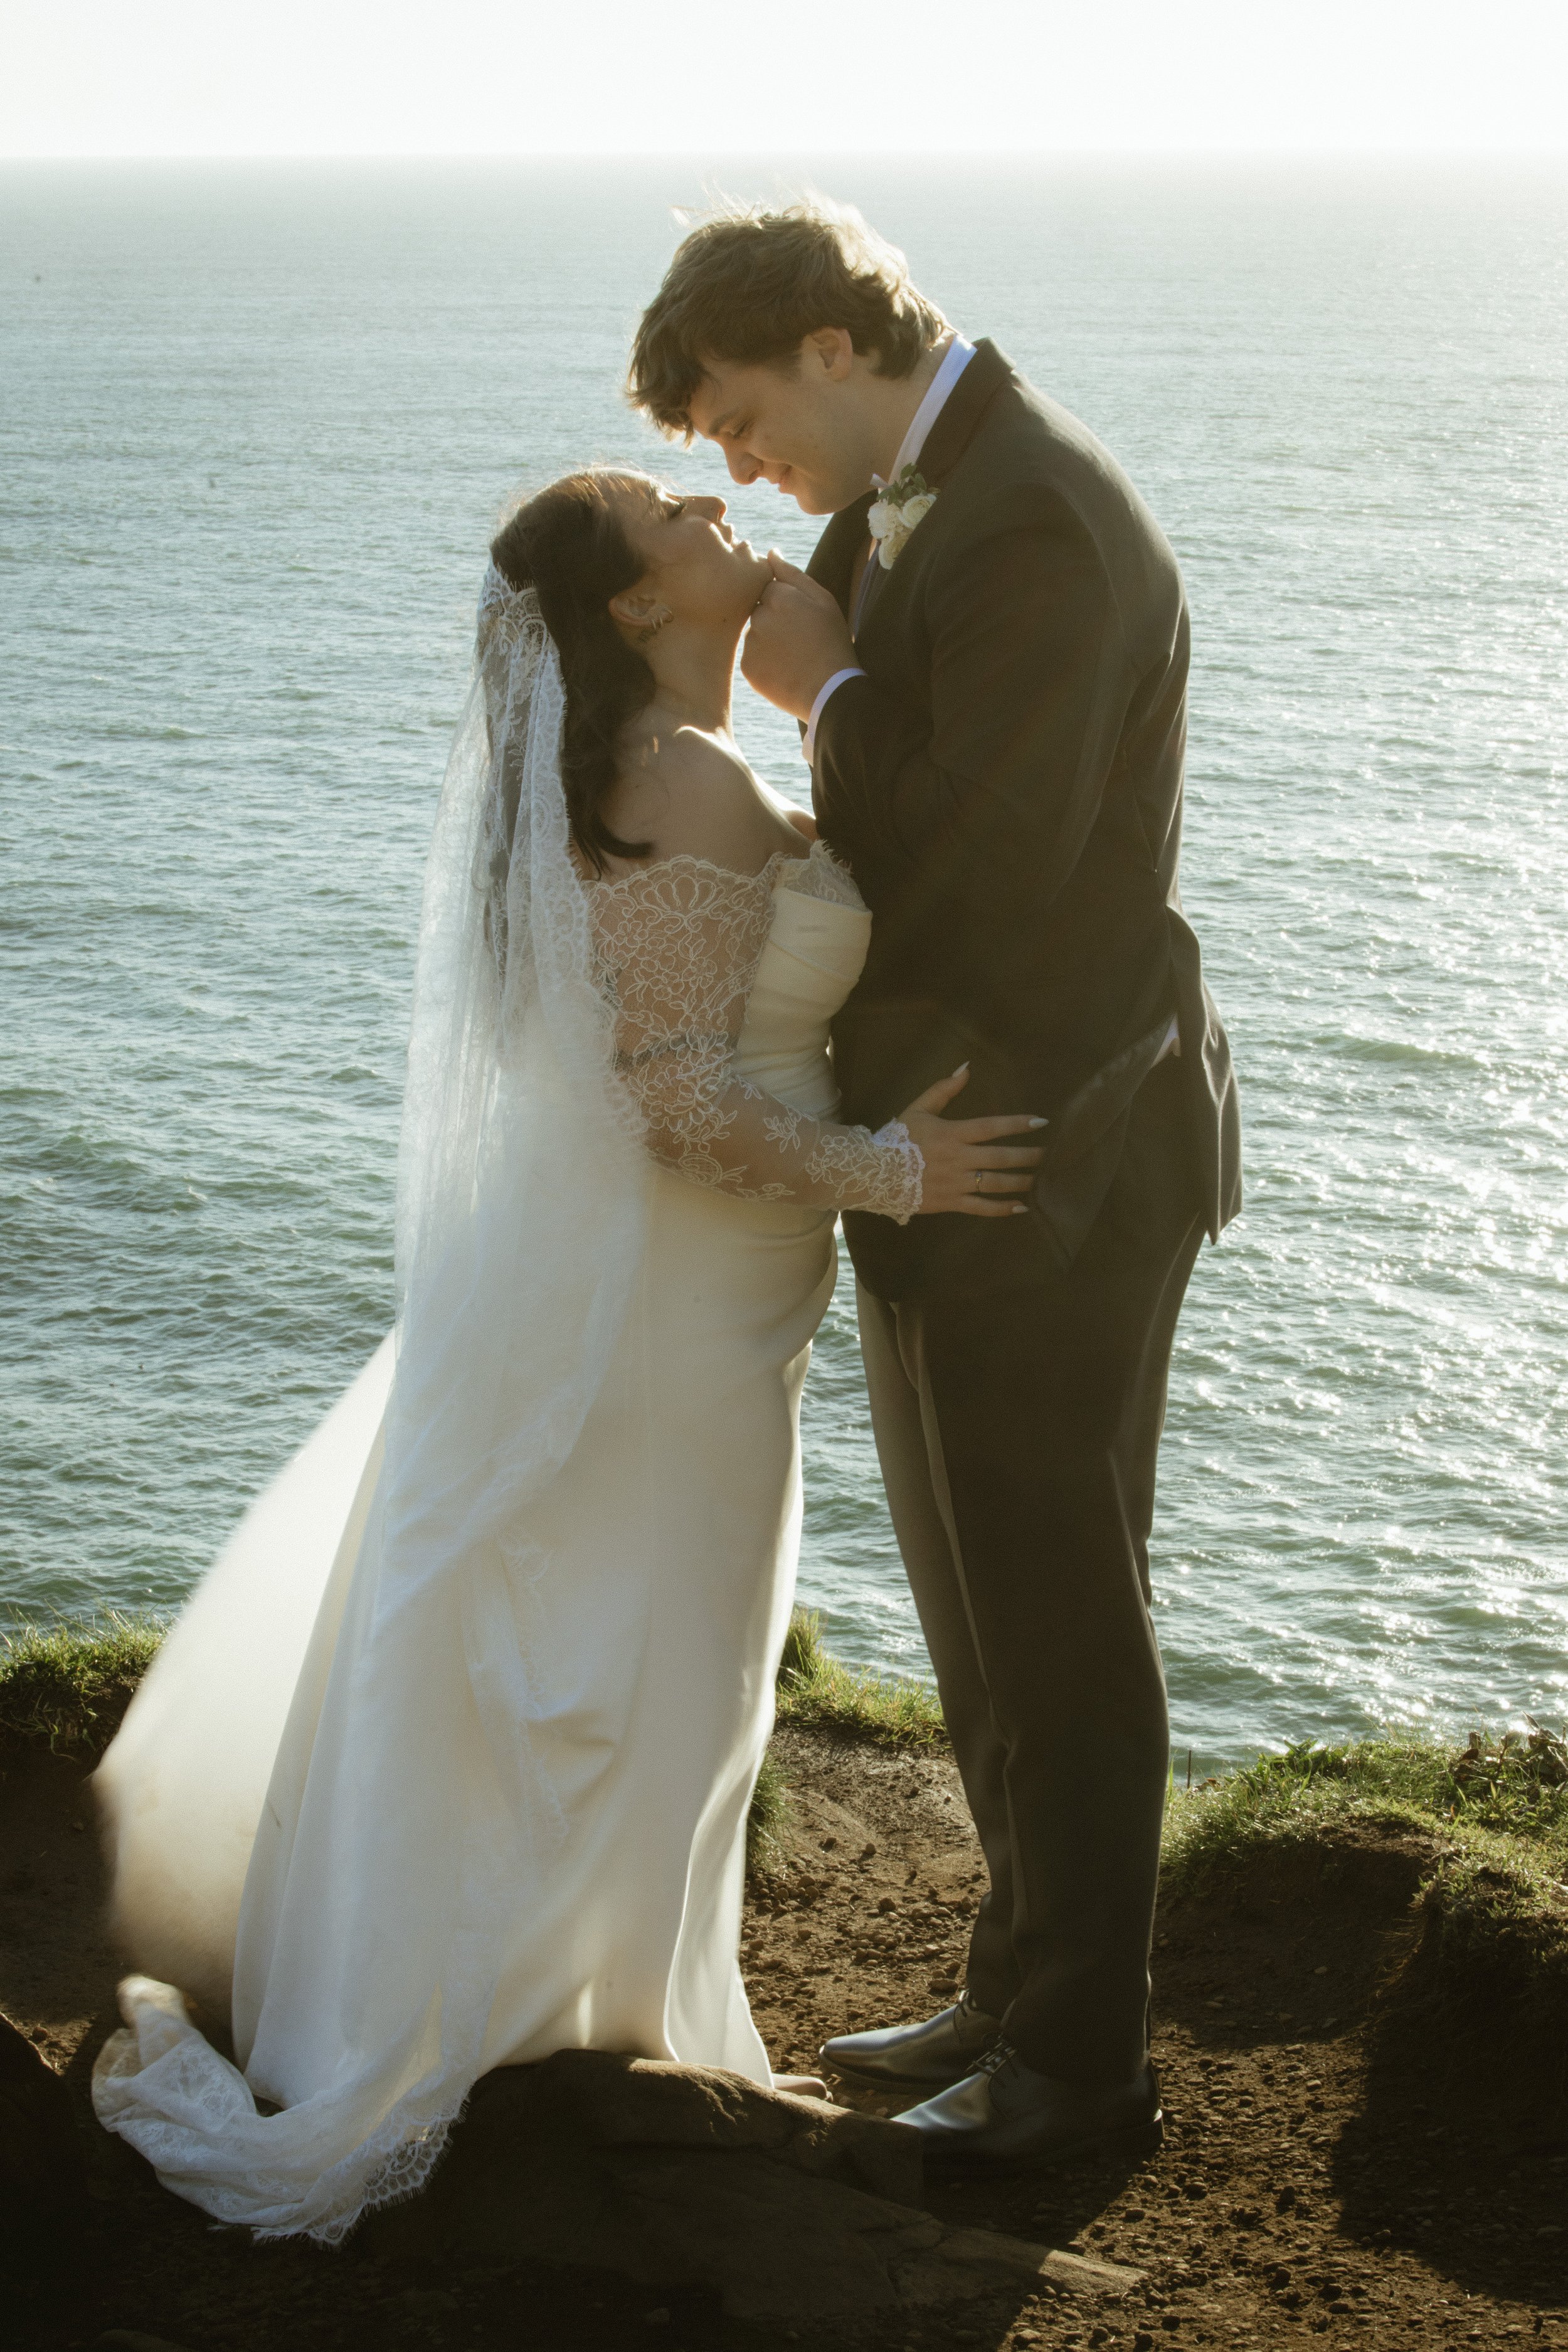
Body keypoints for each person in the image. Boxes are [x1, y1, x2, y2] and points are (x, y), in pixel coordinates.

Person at [88, 467, 1044, 2240]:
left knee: (632, 1627)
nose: (709, 503)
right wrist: (895, 1174)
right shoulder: (671, 780)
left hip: (697, 1285)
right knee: (645, 1637)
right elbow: (675, 1093)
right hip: (679, 1298)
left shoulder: (645, 770)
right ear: (630, 608)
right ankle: (551, 2012)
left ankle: (570, 1999)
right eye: (671, 512)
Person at [630, 199, 1242, 2169]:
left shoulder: (1038, 519)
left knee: (1061, 1609)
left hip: (1057, 1154)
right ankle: (1012, 1987)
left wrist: (824, 694)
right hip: (937, 1156)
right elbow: (894, 837)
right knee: (980, 1610)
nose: (734, 465)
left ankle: (1079, 2081)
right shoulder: (902, 512)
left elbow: (988, 854)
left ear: (828, 338)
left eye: (733, 415)